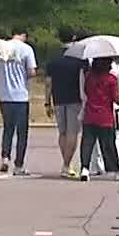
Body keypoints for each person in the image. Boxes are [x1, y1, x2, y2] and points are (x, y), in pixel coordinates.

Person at [0, 29, 37, 176]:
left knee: (7, 129)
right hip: (20, 96)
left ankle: (5, 157)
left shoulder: (1, 48)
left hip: (4, 95)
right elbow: (32, 71)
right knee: (22, 132)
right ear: (24, 35)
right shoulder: (27, 49)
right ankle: (18, 165)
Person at [46, 29, 86, 180]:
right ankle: (66, 164)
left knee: (62, 132)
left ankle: (66, 163)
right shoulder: (78, 58)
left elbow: (48, 82)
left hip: (58, 98)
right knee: (72, 133)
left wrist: (46, 101)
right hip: (74, 98)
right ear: (74, 38)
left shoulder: (54, 58)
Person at [79, 56, 119, 181]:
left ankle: (85, 168)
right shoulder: (111, 79)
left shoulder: (89, 77)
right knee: (108, 144)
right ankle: (113, 169)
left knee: (87, 143)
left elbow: (86, 91)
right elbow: (115, 98)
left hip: (90, 114)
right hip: (105, 116)